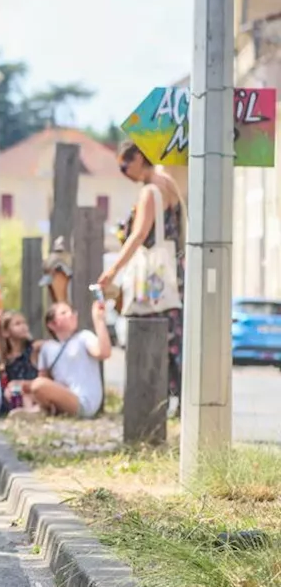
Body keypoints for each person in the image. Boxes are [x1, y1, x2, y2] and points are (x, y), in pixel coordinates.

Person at [98, 141, 184, 415]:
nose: (124, 170)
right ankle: (179, 398)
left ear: (139, 158)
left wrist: (113, 270)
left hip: (154, 276)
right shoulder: (168, 182)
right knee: (173, 337)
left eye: (126, 163)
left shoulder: (150, 190)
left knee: (149, 333)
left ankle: (153, 400)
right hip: (173, 271)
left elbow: (138, 235)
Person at [27, 302, 111, 419]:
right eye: (63, 313)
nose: (71, 315)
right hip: (62, 395)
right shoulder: (47, 348)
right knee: (28, 386)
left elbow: (104, 352)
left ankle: (39, 411)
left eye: (71, 311)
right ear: (52, 324)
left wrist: (99, 320)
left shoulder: (84, 337)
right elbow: (44, 377)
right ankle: (41, 410)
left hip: (83, 401)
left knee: (38, 385)